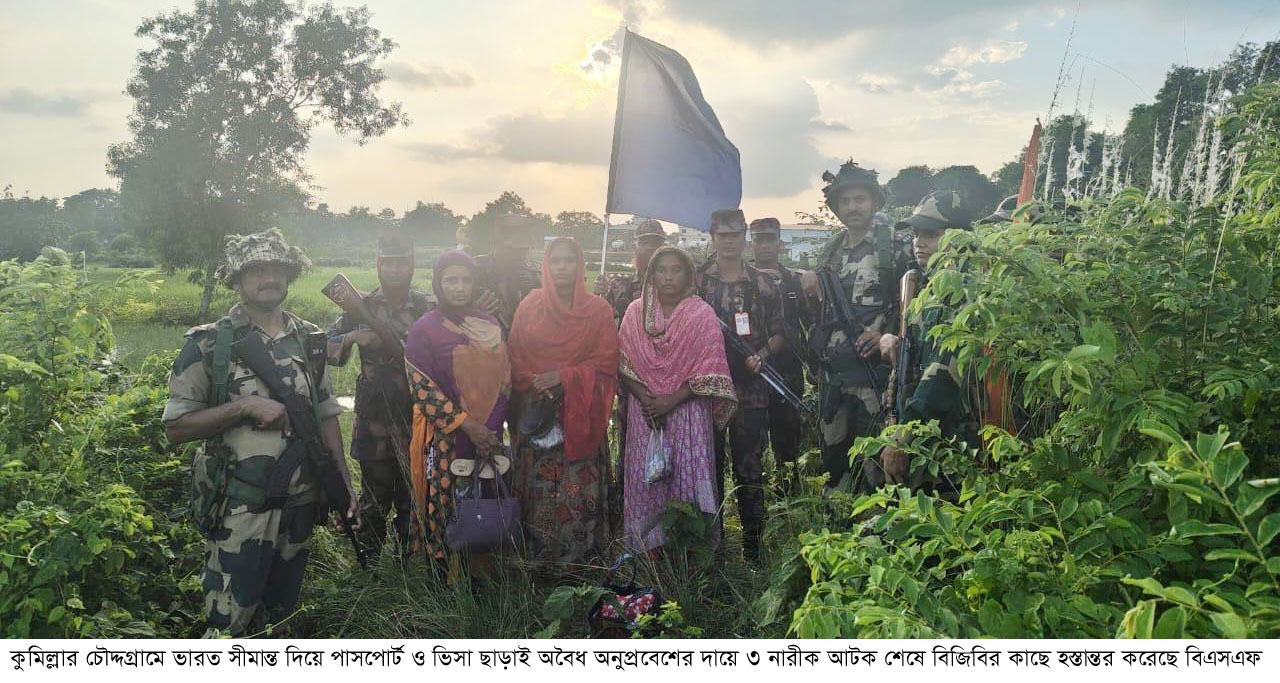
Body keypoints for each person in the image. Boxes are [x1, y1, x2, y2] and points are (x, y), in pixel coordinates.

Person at [163, 228, 355, 637]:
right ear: (236, 278)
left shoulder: (310, 339)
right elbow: (176, 427)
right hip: (239, 507)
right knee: (230, 620)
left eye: (277, 270)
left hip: (299, 501)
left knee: (280, 616)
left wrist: (342, 477)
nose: (269, 278)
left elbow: (324, 414)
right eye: (257, 271)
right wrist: (244, 407)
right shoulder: (209, 344)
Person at [508, 237, 619, 569]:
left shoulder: (598, 310)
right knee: (538, 495)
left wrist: (564, 376)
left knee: (578, 496)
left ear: (580, 265)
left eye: (569, 260)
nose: (562, 267)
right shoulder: (529, 306)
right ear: (546, 265)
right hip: (538, 417)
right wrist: (538, 383)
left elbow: (606, 361)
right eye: (555, 260)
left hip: (580, 420)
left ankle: (582, 568)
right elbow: (515, 358)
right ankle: (539, 568)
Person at [618, 246, 737, 553]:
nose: (669, 277)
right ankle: (648, 555)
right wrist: (649, 400)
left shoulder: (701, 315)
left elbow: (710, 367)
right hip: (647, 414)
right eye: (662, 270)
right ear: (651, 274)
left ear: (689, 275)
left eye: (677, 270)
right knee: (649, 483)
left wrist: (670, 400)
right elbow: (623, 361)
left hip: (688, 411)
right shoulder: (634, 313)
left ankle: (691, 555)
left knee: (686, 480)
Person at [326, 232, 435, 559]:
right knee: (374, 501)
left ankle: (408, 568)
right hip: (374, 422)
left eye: (402, 262)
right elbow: (324, 351)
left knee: (413, 499)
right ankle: (369, 567)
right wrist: (355, 337)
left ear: (412, 264)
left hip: (417, 418)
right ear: (378, 264)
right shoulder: (362, 307)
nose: (395, 269)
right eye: (388, 262)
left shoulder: (427, 307)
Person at [808, 161, 914, 492]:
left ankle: (875, 538)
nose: (852, 207)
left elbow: (913, 305)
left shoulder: (895, 247)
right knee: (834, 465)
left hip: (875, 380)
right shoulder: (832, 250)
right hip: (835, 380)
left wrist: (887, 334)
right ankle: (835, 533)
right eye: (846, 201)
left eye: (860, 199)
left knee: (877, 469)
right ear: (836, 207)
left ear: (873, 201)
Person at [403, 251, 511, 567]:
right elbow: (423, 389)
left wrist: (489, 427)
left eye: (466, 280)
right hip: (444, 439)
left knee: (483, 503)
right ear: (438, 284)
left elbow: (505, 380)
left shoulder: (490, 324)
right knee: (444, 506)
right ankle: (444, 584)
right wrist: (467, 425)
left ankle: (480, 579)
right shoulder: (424, 329)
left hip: (488, 437)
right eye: (451, 280)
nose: (459, 287)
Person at [696, 209, 786, 561]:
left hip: (751, 390)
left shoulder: (762, 283)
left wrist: (761, 354)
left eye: (736, 234)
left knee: (750, 471)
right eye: (723, 234)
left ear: (744, 237)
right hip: (707, 391)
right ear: (713, 237)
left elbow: (781, 332)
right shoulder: (697, 281)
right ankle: (713, 550)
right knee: (710, 468)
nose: (729, 240)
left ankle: (753, 550)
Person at [876, 191, 980, 491]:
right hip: (928, 428)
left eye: (932, 234)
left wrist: (903, 435)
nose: (919, 242)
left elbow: (943, 373)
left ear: (959, 238)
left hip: (952, 435)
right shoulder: (930, 286)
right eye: (917, 233)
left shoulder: (962, 290)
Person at [749, 217, 811, 494]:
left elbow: (810, 324)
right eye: (758, 239)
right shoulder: (743, 280)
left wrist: (813, 363)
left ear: (779, 243)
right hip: (752, 372)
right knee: (752, 443)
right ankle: (754, 495)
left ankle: (787, 494)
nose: (764, 245)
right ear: (751, 243)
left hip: (787, 372)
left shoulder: (795, 282)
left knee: (787, 441)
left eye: (769, 239)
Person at [473, 213, 541, 337]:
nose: (520, 256)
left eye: (524, 250)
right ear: (496, 244)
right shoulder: (474, 270)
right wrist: (473, 311)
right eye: (513, 250)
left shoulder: (534, 274)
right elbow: (450, 312)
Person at [595, 218, 668, 324]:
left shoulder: (672, 285)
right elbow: (601, 317)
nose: (650, 248)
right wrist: (598, 294)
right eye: (644, 243)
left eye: (656, 243)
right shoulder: (618, 285)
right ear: (635, 248)